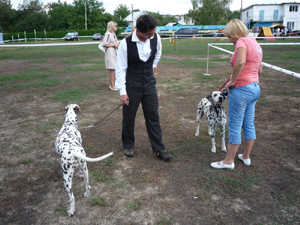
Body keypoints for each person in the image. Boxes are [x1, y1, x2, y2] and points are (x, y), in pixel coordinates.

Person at [115, 14, 173, 161]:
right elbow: (120, 68)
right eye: (149, 34)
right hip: (132, 85)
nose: (152, 36)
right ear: (139, 31)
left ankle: (159, 148)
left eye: (153, 32)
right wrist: (123, 92)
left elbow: (158, 54)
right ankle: (128, 144)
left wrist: (151, 67)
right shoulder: (125, 43)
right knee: (129, 117)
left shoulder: (156, 38)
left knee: (153, 116)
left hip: (149, 84)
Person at [211, 19, 263, 170]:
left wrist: (232, 81)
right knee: (248, 123)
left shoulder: (241, 42)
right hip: (254, 88)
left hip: (242, 89)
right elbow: (259, 70)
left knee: (234, 125)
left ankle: (228, 161)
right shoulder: (255, 43)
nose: (229, 40)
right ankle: (246, 156)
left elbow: (240, 63)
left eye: (230, 36)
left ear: (235, 33)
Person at [103, 21, 119, 91]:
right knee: (112, 69)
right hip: (110, 52)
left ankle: (114, 84)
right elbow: (104, 44)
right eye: (115, 25)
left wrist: (116, 45)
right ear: (112, 26)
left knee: (115, 68)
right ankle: (112, 85)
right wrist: (113, 45)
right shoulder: (108, 34)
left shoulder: (113, 34)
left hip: (115, 52)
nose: (116, 27)